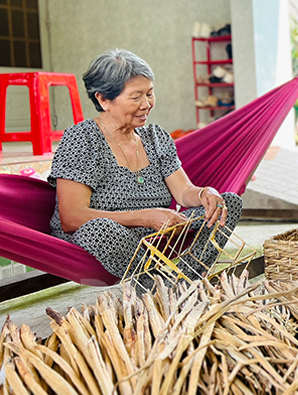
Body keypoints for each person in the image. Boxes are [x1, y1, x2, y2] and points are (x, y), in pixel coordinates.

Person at [48, 48, 242, 290]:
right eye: (136, 96)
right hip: (102, 239)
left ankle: (182, 279)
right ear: (103, 100)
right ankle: (159, 288)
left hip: (150, 238)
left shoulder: (155, 137)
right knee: (101, 230)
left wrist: (205, 194)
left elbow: (183, 192)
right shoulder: (82, 139)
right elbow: (71, 217)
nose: (147, 104)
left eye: (150, 93)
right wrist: (146, 216)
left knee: (228, 203)